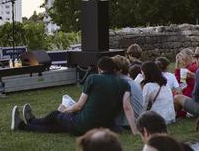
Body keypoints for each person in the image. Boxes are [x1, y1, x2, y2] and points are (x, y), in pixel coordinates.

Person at [10, 56, 138, 136]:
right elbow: (127, 108)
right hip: (104, 127)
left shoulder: (93, 78)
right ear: (114, 69)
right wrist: (134, 131)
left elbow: (79, 106)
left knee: (56, 116)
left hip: (83, 125)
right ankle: (23, 126)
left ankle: (32, 121)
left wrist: (65, 111)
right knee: (59, 127)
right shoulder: (125, 84)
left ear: (99, 69)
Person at [111, 55, 144, 127]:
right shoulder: (132, 82)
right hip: (138, 119)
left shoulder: (120, 83)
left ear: (118, 70)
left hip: (127, 123)